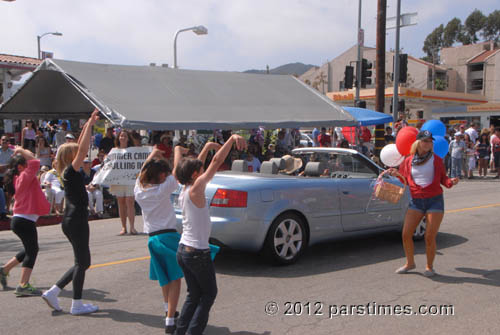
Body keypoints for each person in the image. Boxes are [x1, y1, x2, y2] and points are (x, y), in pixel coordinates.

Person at [174, 134, 246, 335]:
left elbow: (201, 163)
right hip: (197, 251)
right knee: (208, 294)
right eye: (200, 170)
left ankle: (181, 331)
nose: (204, 171)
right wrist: (231, 140)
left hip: (183, 250)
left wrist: (206, 147)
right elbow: (216, 162)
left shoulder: (185, 187)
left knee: (194, 293)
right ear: (196, 174)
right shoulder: (196, 188)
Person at [41, 109, 100, 315]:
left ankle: (54, 292)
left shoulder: (67, 173)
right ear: (72, 157)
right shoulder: (69, 171)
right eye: (79, 155)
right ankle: (76, 303)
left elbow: (82, 148)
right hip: (76, 219)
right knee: (82, 262)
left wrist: (88, 124)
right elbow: (83, 150)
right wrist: (89, 126)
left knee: (83, 262)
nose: (83, 158)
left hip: (71, 218)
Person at [391, 130, 458, 277]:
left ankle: (429, 267)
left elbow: (443, 180)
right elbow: (405, 181)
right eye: (425, 141)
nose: (428, 144)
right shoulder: (408, 161)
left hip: (434, 201)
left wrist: (451, 182)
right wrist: (396, 175)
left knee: (429, 236)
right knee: (406, 234)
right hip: (416, 201)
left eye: (430, 141)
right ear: (418, 142)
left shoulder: (436, 159)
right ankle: (410, 263)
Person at [134, 146, 184, 334]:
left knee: (164, 278)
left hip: (152, 239)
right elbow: (177, 170)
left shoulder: (140, 190)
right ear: (161, 175)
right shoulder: (163, 189)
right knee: (176, 278)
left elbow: (141, 174)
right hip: (168, 236)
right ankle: (171, 320)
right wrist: (177, 150)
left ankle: (167, 310)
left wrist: (152, 156)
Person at [0, 147, 51, 295]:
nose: (29, 165)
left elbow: (32, 161)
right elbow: (35, 160)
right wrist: (21, 150)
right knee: (32, 250)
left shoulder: (18, 177)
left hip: (20, 220)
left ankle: (4, 270)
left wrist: (20, 154)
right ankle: (23, 285)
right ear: (21, 166)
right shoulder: (25, 176)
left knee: (30, 248)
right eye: (25, 163)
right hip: (24, 220)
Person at [110, 130, 137, 235]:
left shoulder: (133, 151)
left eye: (125, 136)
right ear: (118, 138)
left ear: (128, 138)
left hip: (130, 179)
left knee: (130, 201)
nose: (123, 138)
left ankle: (132, 227)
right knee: (121, 202)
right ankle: (123, 227)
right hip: (118, 179)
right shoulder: (114, 151)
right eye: (121, 136)